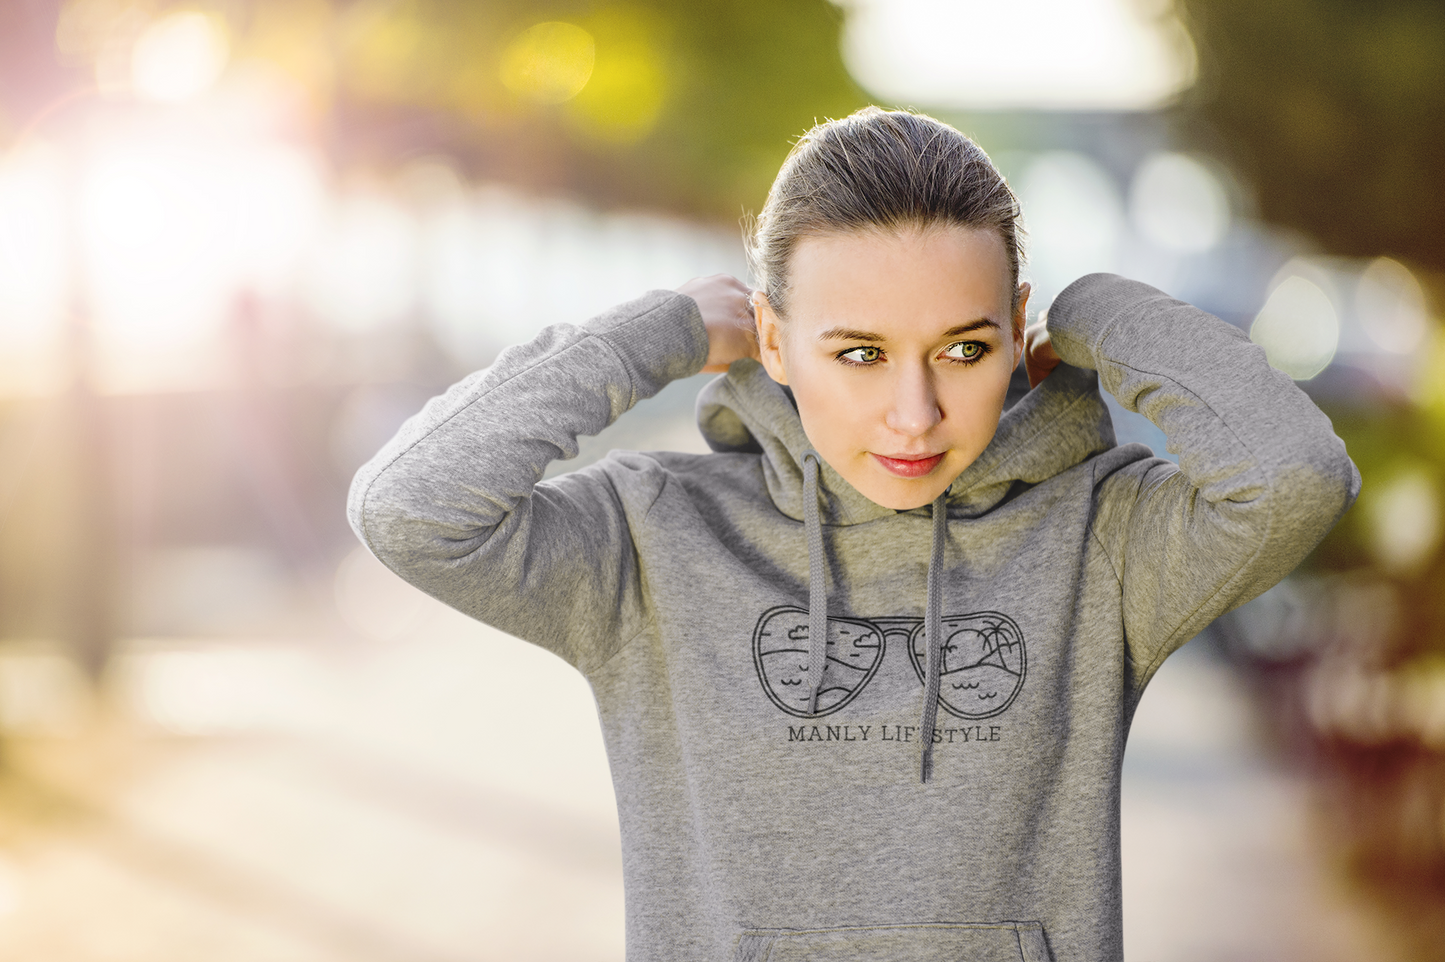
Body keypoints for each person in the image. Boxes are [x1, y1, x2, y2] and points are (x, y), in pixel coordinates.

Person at [348, 108, 1358, 962]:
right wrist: (648, 335)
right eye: (860, 353)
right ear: (774, 340)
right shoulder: (652, 539)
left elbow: (1293, 479)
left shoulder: (1101, 536)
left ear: (1015, 331)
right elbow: (409, 507)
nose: (912, 413)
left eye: (961, 348)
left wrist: (1103, 312)